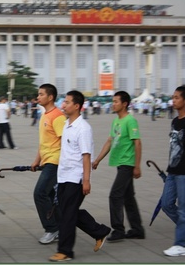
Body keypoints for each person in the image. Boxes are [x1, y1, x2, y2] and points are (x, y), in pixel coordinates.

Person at [49, 90, 111, 262]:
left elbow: (86, 156)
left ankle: (65, 251)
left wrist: (86, 180)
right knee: (68, 212)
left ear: (77, 106)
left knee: (67, 216)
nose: (63, 105)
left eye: (67, 102)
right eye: (64, 102)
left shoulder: (83, 128)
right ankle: (99, 231)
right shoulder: (67, 125)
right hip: (63, 176)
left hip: (75, 178)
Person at [92, 91, 145, 242]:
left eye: (116, 101)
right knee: (128, 197)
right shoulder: (116, 121)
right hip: (121, 163)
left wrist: (137, 166)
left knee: (115, 195)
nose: (113, 104)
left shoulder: (130, 120)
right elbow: (109, 141)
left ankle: (118, 230)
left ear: (124, 104)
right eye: (113, 101)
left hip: (127, 163)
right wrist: (98, 160)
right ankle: (137, 229)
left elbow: (137, 143)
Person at [161, 85, 185, 256]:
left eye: (177, 97)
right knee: (166, 204)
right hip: (173, 171)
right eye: (173, 97)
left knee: (184, 208)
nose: (174, 100)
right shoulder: (175, 121)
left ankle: (181, 245)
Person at [30, 84, 66, 244]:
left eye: (41, 94)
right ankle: (60, 227)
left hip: (55, 161)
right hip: (47, 161)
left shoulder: (58, 116)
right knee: (51, 197)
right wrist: (37, 160)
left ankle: (52, 229)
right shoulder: (45, 115)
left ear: (50, 97)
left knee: (39, 193)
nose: (38, 97)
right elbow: (44, 142)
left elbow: (66, 141)